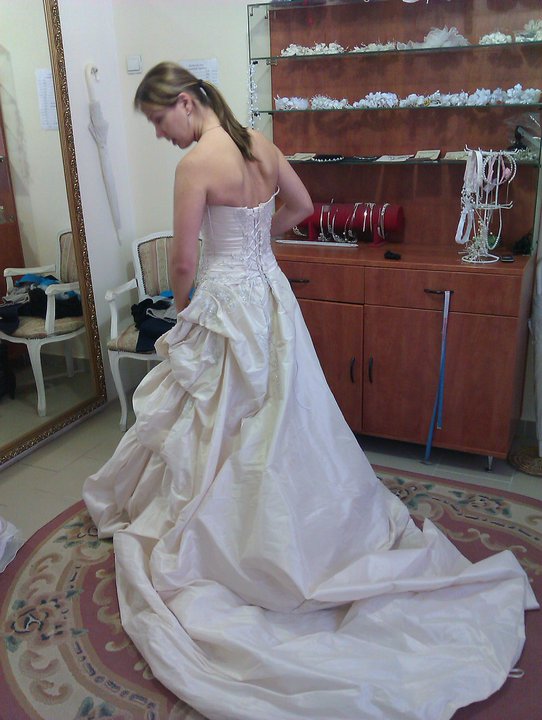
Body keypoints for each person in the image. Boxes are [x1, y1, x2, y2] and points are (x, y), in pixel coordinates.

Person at [83, 63, 537, 720]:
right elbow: (301, 208)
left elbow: (182, 262)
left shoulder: (195, 166)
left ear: (184, 103)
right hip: (268, 294)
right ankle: (297, 525)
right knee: (285, 415)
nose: (160, 134)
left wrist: (184, 313)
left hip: (225, 302)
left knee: (222, 421)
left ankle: (235, 541)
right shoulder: (261, 146)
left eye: (159, 121)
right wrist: (255, 250)